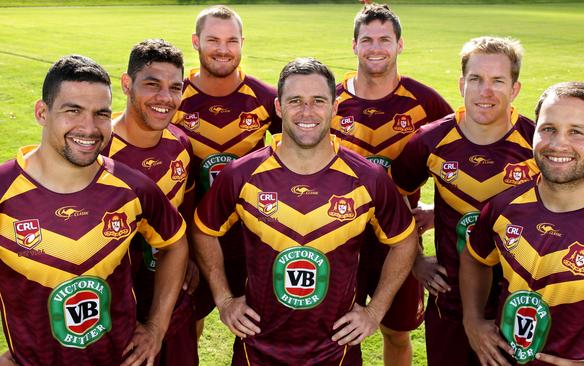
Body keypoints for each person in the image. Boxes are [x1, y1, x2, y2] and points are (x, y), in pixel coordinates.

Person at [192, 57, 418, 365]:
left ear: (335, 107)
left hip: (336, 351)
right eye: (295, 101)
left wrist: (375, 311)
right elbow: (203, 230)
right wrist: (224, 299)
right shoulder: (240, 175)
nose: (307, 112)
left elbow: (404, 241)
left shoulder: (368, 179)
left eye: (318, 101)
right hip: (256, 349)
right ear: (279, 107)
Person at [0, 55, 188, 366]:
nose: (89, 128)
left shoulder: (132, 187)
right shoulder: (5, 191)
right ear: (42, 112)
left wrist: (156, 327)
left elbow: (175, 245)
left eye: (101, 114)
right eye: (73, 111)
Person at [460, 81, 584, 366]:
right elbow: (475, 257)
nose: (558, 143)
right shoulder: (505, 205)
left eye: (576, 132)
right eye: (548, 129)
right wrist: (473, 320)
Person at [390, 36, 538, 365]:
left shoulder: (538, 144)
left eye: (498, 81)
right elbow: (395, 194)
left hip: (519, 305)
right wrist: (414, 257)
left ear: (514, 88)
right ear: (461, 84)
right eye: (476, 79)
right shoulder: (431, 140)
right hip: (450, 301)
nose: (486, 91)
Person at [330, 4, 452, 364]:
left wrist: (437, 211)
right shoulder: (330, 100)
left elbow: (458, 158)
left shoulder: (425, 101)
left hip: (400, 244)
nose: (375, 47)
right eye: (366, 39)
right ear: (354, 46)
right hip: (339, 241)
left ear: (400, 45)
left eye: (385, 39)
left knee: (397, 333)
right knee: (336, 332)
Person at [171, 5, 282, 325]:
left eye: (232, 41)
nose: (223, 49)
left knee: (259, 324)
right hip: (194, 236)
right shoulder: (175, 99)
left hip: (253, 235)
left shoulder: (265, 98)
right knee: (188, 323)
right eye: (213, 40)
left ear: (242, 42)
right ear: (195, 41)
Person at [102, 39, 198, 365]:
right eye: (152, 85)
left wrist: (192, 260)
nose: (165, 98)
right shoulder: (95, 150)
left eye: (175, 87)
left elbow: (185, 211)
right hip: (115, 310)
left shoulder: (181, 144)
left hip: (172, 302)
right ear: (126, 84)